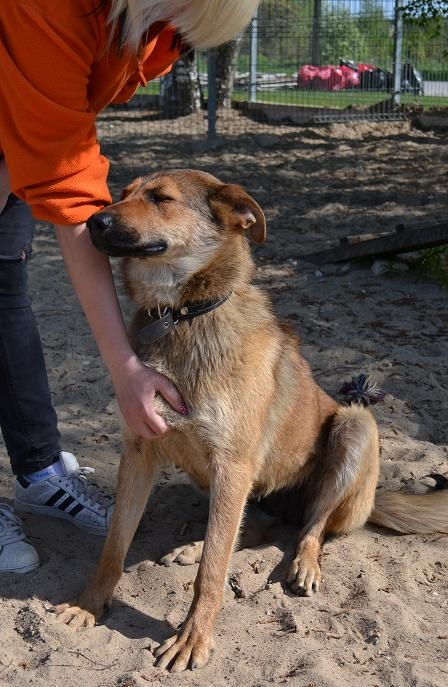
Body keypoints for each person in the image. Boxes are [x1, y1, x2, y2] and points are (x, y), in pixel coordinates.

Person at [0, 0, 260, 573]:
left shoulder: (145, 28)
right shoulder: (51, 10)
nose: (165, 52)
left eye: (182, 41)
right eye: (178, 27)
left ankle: (40, 473)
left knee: (5, 295)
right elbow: (72, 195)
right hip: (22, 114)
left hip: (18, 125)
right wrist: (125, 370)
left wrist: (18, 161)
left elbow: (58, 137)